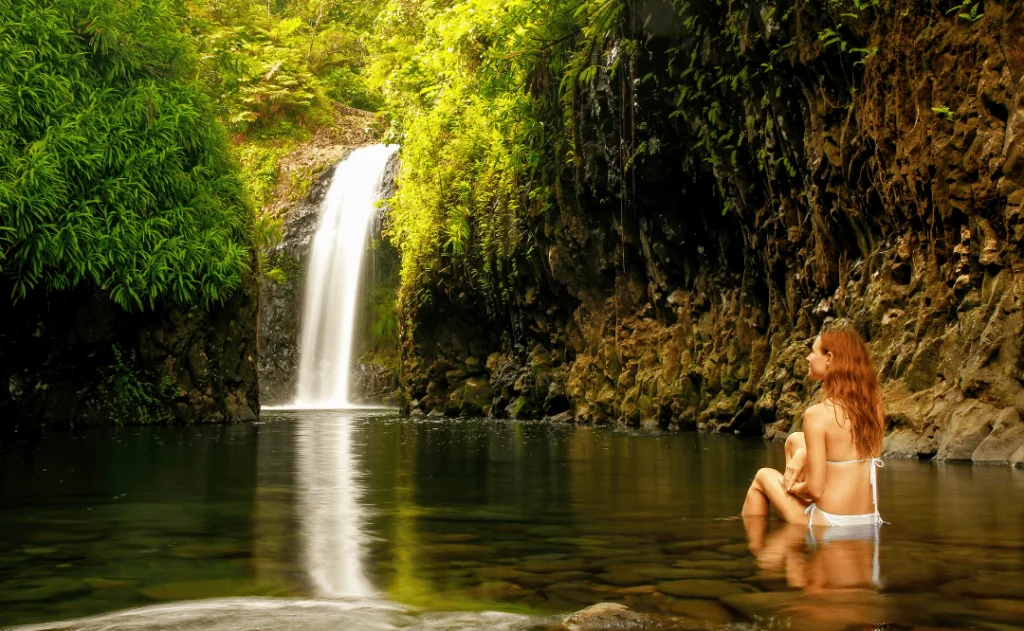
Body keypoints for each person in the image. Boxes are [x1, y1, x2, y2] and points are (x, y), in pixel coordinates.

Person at [742, 327, 886, 526]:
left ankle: (760, 549)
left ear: (829, 358)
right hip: (869, 519)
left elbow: (815, 490)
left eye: (813, 351)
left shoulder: (817, 415)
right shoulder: (875, 405)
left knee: (762, 478)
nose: (808, 357)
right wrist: (803, 453)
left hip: (830, 523)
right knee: (794, 441)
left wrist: (790, 488)